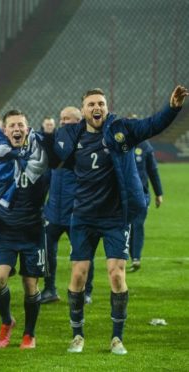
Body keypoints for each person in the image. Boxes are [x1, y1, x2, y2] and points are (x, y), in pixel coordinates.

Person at [57, 86, 187, 355]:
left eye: (101, 103)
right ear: (83, 110)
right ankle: (77, 335)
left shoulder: (121, 129)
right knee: (78, 275)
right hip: (83, 217)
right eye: (92, 103)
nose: (97, 107)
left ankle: (117, 338)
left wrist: (172, 108)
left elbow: (152, 125)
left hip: (115, 217)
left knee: (117, 274)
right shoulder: (73, 135)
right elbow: (51, 152)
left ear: (106, 107)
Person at [0, 109, 56, 350]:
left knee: (31, 286)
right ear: (6, 130)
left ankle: (29, 334)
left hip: (33, 230)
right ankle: (7, 321)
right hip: (6, 229)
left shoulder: (41, 156)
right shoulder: (1, 158)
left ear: (27, 129)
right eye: (13, 126)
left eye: (21, 124)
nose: (17, 129)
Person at [40, 106, 98, 304]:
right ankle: (49, 289)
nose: (63, 122)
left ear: (79, 121)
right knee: (47, 252)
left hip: (77, 212)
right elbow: (47, 175)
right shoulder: (57, 143)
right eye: (61, 118)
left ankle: (85, 291)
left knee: (83, 253)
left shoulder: (86, 143)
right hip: (53, 211)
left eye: (68, 119)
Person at [129, 138, 163, 272]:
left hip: (141, 194)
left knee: (137, 224)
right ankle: (127, 257)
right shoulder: (119, 143)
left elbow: (153, 170)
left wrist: (158, 193)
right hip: (122, 195)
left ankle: (136, 258)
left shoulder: (145, 146)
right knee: (127, 227)